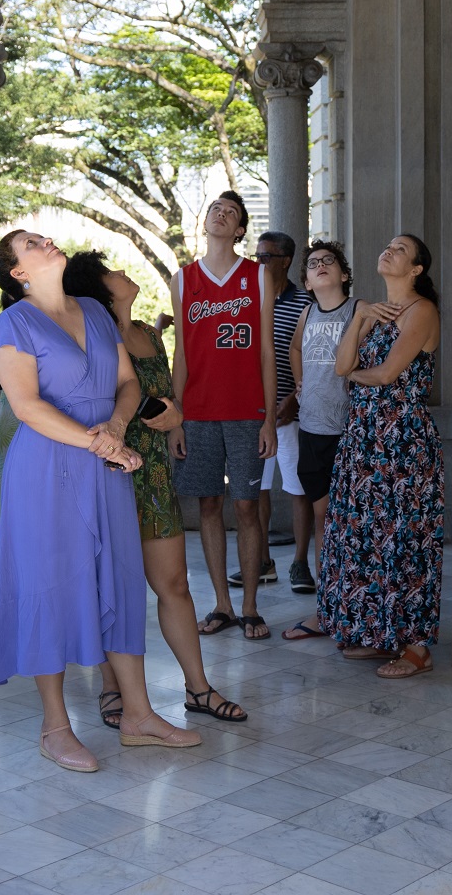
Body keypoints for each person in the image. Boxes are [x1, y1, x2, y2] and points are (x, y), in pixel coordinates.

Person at [0, 230, 200, 771]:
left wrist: (118, 425)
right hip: (47, 470)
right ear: (18, 272)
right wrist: (99, 441)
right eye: (32, 243)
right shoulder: (13, 324)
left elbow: (127, 382)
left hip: (106, 463)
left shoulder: (96, 313)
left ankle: (139, 715)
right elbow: (27, 407)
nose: (46, 241)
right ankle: (55, 727)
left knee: (121, 580)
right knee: (49, 586)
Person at [63, 252, 248, 728]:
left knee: (175, 585)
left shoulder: (145, 332)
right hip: (107, 473)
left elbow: (169, 402)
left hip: (155, 476)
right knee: (111, 589)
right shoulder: (85, 333)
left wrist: (176, 416)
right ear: (97, 286)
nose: (124, 273)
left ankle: (198, 688)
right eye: (112, 271)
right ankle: (111, 687)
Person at [317, 234, 444, 680]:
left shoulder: (421, 311)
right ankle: (380, 632)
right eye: (386, 245)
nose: (388, 250)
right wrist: (359, 319)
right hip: (364, 438)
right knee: (367, 535)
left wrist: (352, 374)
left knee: (407, 538)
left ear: (416, 270)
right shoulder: (371, 311)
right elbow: (339, 365)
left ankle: (416, 647)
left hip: (403, 441)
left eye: (401, 249)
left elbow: (388, 373)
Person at [169, 191, 277, 640]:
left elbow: (268, 350)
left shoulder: (258, 276)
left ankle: (251, 605)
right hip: (197, 413)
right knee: (208, 505)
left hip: (247, 411)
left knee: (248, 507)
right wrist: (176, 416)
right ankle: (223, 604)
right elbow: (181, 354)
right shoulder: (182, 278)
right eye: (216, 208)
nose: (221, 213)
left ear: (239, 231)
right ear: (206, 222)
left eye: (231, 212)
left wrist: (269, 417)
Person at [280, 239, 355, 642]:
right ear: (307, 281)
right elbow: (294, 348)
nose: (321, 266)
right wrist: (299, 383)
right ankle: (328, 604)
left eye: (329, 262)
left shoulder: (358, 310)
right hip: (311, 428)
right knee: (322, 515)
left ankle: (345, 603)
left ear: (344, 274)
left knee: (340, 518)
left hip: (347, 430)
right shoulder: (307, 312)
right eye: (313, 264)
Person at [245, 230, 310, 589]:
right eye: (256, 256)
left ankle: (300, 564)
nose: (259, 263)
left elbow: (315, 359)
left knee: (298, 490)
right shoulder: (248, 301)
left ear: (285, 261)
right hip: (255, 415)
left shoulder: (305, 304)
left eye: (266, 257)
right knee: (257, 492)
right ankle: (262, 562)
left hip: (291, 415)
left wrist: (295, 399)